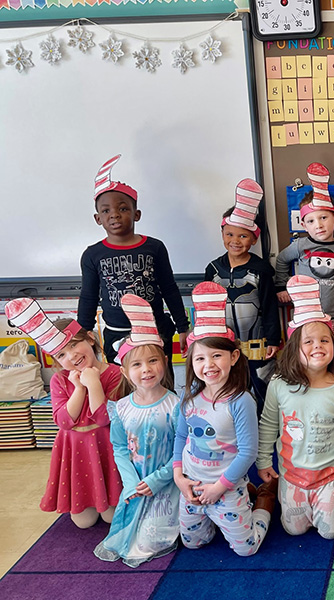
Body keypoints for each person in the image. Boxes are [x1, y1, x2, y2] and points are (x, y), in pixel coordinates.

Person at [172, 282, 277, 556]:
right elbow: (181, 437)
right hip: (193, 486)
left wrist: (220, 488)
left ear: (233, 356)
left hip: (226, 487)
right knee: (194, 543)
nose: (209, 365)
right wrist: (178, 477)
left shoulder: (241, 400)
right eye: (200, 359)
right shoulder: (190, 396)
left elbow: (247, 452)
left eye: (217, 355)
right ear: (191, 362)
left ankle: (263, 499)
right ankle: (238, 502)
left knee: (246, 549)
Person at [4, 299, 122, 529]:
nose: (72, 356)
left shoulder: (115, 374)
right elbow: (64, 421)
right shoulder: (60, 380)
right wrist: (79, 388)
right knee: (84, 522)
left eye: (74, 345)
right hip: (75, 450)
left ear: (90, 338)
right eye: (61, 355)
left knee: (111, 516)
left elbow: (103, 419)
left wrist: (94, 383)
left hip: (106, 446)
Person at [257, 275, 334, 539]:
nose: (318, 346)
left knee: (331, 532)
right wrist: (263, 460)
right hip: (292, 474)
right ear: (294, 347)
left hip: (331, 474)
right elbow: (268, 424)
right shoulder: (279, 384)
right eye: (309, 342)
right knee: (294, 529)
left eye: (324, 341)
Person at [78, 155, 189, 369]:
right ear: (98, 218)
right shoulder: (92, 254)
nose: (115, 215)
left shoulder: (154, 247)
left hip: (155, 330)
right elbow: (89, 297)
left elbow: (169, 289)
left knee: (160, 381)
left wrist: (182, 327)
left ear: (136, 214)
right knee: (123, 387)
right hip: (117, 334)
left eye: (123, 209)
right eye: (106, 210)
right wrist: (83, 334)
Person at [94, 294, 181, 567]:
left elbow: (181, 450)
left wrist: (157, 479)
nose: (147, 370)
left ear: (165, 362)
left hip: (165, 484)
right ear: (124, 371)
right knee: (124, 536)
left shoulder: (176, 405)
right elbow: (119, 447)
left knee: (148, 541)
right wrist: (130, 482)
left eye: (153, 361)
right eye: (137, 364)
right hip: (135, 483)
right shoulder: (119, 408)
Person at [205, 178, 281, 412]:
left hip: (258, 346)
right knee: (228, 392)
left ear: (254, 239)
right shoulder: (213, 270)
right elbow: (207, 310)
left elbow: (269, 306)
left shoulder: (262, 270)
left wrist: (274, 340)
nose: (235, 241)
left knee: (261, 392)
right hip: (224, 346)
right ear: (222, 232)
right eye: (229, 234)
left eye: (242, 236)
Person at [275, 163, 334, 342]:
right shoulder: (300, 245)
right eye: (310, 221)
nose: (318, 225)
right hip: (305, 314)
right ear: (303, 225)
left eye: (323, 218)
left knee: (331, 353)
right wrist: (281, 287)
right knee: (305, 354)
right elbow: (281, 260)